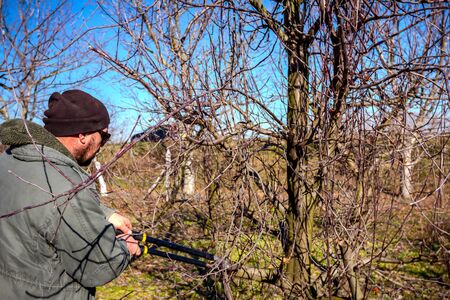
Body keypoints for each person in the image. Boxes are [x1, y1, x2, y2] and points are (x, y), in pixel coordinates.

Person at [0, 90, 141, 299]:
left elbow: (40, 203)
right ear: (83, 135)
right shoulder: (69, 189)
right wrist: (126, 248)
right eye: (104, 135)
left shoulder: (9, 159)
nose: (103, 145)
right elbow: (98, 266)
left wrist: (103, 212)